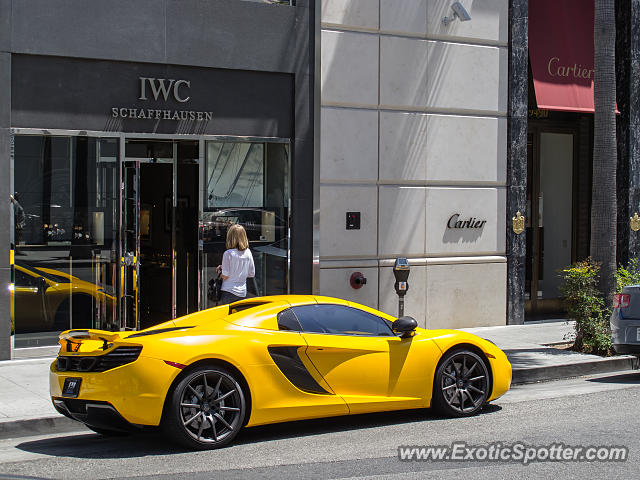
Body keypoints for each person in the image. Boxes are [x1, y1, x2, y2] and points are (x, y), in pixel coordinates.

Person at [216, 224, 255, 305]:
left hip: (228, 291)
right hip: (242, 292)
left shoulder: (228, 253)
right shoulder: (248, 252)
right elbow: (251, 274)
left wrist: (219, 271)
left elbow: (225, 276)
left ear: (230, 237)